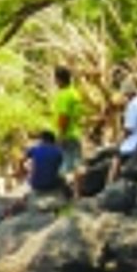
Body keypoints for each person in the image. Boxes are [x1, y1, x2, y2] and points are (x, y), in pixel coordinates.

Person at [52, 66, 84, 196]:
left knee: (61, 166)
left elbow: (63, 116)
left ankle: (62, 193)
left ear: (59, 80)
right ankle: (78, 193)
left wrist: (60, 134)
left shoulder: (63, 95)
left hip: (66, 134)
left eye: (55, 79)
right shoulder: (75, 93)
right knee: (77, 164)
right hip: (76, 133)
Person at [23, 130, 66, 194]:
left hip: (35, 184)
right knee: (63, 180)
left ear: (42, 139)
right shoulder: (58, 151)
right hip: (53, 184)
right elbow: (60, 166)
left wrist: (26, 171)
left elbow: (24, 159)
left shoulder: (34, 149)